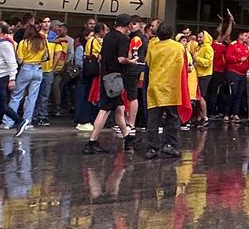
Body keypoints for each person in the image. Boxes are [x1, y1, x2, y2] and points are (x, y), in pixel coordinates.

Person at [83, 13, 140, 155]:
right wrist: (131, 61)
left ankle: (127, 138)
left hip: (105, 76)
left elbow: (101, 56)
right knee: (105, 109)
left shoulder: (107, 36)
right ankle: (92, 141)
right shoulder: (122, 39)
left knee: (119, 108)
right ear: (127, 26)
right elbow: (121, 59)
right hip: (114, 78)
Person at [143, 23, 189, 159]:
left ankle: (152, 148)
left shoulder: (153, 47)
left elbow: (148, 64)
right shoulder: (178, 47)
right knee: (172, 118)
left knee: (153, 120)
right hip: (172, 88)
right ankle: (170, 146)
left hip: (155, 87)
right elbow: (184, 66)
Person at [5, 23, 49, 137]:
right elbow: (45, 57)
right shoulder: (42, 42)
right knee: (32, 97)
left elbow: (19, 59)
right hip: (38, 69)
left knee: (16, 95)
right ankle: (27, 121)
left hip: (26, 68)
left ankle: (8, 122)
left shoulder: (23, 43)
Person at [75, 23, 106, 132]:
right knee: (90, 96)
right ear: (101, 31)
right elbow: (101, 55)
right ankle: (85, 120)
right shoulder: (96, 41)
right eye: (105, 30)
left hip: (87, 70)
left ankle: (83, 120)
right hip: (93, 71)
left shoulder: (90, 40)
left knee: (86, 96)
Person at [223, 31, 249, 123]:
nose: (247, 37)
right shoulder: (233, 45)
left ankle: (235, 114)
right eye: (245, 35)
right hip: (233, 72)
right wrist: (238, 59)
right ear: (240, 36)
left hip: (243, 74)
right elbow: (227, 58)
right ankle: (226, 113)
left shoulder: (245, 47)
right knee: (232, 93)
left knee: (239, 94)